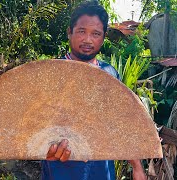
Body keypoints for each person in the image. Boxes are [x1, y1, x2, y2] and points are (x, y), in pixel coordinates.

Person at [41, 1, 147, 180]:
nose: (88, 40)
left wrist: (137, 167)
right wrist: (45, 148)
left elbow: (121, 122)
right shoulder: (51, 74)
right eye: (82, 31)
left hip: (101, 170)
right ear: (70, 32)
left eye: (96, 34)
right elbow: (35, 125)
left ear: (104, 37)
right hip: (61, 168)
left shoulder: (110, 75)